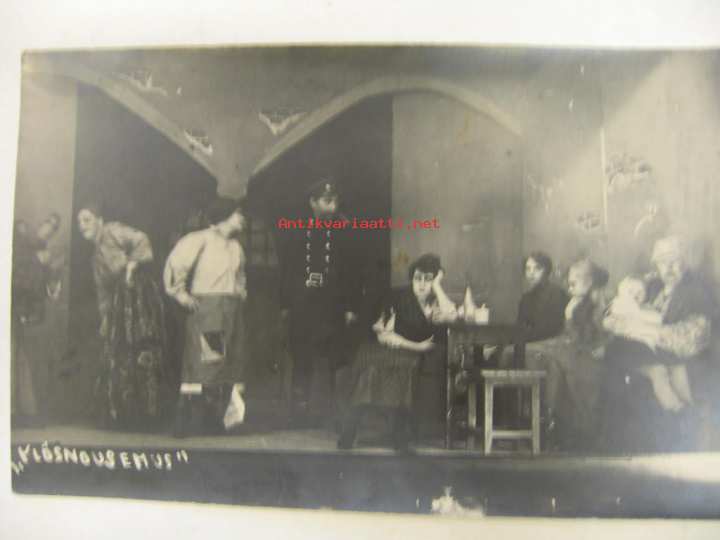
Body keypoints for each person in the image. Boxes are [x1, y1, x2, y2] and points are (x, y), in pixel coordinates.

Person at [602, 235, 717, 453]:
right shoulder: (652, 287)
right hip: (646, 356)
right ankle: (618, 444)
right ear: (656, 266)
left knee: (656, 380)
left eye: (675, 261)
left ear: (685, 262)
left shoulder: (696, 293)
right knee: (614, 359)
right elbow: (614, 313)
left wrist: (640, 329)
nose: (669, 268)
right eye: (663, 262)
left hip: (684, 363)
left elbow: (690, 341)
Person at [338, 254, 457, 452]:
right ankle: (349, 431)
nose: (422, 284)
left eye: (428, 279)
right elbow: (384, 335)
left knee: (406, 366)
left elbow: (452, 318)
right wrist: (417, 346)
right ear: (412, 279)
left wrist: (437, 286)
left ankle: (399, 436)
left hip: (409, 354)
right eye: (417, 278)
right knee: (370, 370)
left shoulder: (436, 302)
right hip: (388, 347)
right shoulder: (399, 297)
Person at [276, 178, 361, 426]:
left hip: (334, 304)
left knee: (337, 358)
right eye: (327, 201)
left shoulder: (346, 230)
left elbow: (353, 271)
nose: (333, 206)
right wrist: (286, 304)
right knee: (301, 356)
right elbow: (287, 270)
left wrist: (351, 306)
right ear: (312, 202)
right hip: (303, 305)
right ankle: (299, 414)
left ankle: (339, 415)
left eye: (335, 200)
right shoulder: (296, 229)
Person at [77, 202, 168, 430]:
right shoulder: (95, 258)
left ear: (99, 220)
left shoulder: (113, 231)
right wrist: (105, 319)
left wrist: (131, 267)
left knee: (144, 348)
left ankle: (150, 414)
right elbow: (103, 292)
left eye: (87, 220)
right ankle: (127, 414)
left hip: (138, 294)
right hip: (119, 303)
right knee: (120, 353)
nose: (82, 226)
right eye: (79, 222)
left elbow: (142, 239)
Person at [164, 198, 249, 437]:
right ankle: (184, 422)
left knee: (227, 365)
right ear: (224, 217)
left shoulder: (236, 247)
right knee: (207, 364)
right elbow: (176, 266)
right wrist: (180, 294)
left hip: (231, 310)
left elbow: (240, 277)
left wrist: (240, 293)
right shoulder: (199, 239)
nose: (242, 219)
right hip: (210, 311)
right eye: (238, 214)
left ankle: (215, 420)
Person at [526, 258, 609, 450]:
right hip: (572, 349)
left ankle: (556, 424)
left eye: (573, 284)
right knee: (540, 357)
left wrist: (569, 316)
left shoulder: (596, 304)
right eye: (569, 284)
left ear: (589, 282)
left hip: (587, 355)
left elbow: (587, 338)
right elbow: (568, 335)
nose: (569, 288)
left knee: (551, 361)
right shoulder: (578, 301)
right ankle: (549, 421)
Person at [604, 275, 692, 412]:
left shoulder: (647, 308)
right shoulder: (619, 305)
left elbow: (657, 320)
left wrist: (649, 320)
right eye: (630, 291)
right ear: (621, 293)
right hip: (632, 348)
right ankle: (674, 406)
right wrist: (645, 321)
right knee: (659, 371)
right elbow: (613, 322)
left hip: (651, 345)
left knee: (677, 366)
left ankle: (688, 401)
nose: (636, 295)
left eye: (640, 292)